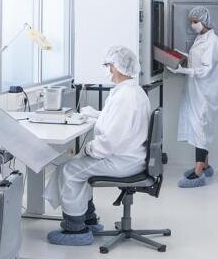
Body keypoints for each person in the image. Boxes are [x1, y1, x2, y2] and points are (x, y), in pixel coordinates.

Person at [45, 46, 151, 247]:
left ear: (118, 68)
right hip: (131, 156)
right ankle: (89, 219)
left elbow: (110, 141)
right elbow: (119, 123)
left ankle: (76, 229)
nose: (107, 69)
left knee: (69, 170)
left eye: (109, 65)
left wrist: (88, 149)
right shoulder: (132, 91)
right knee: (76, 166)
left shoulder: (124, 97)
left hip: (122, 161)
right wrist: (97, 114)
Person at [171, 5, 218, 188]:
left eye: (195, 22)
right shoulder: (201, 38)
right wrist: (179, 57)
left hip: (205, 93)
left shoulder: (212, 42)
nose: (193, 25)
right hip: (196, 91)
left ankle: (198, 173)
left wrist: (184, 70)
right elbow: (196, 60)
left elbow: (206, 69)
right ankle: (206, 165)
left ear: (204, 21)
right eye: (191, 22)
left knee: (200, 129)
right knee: (199, 128)